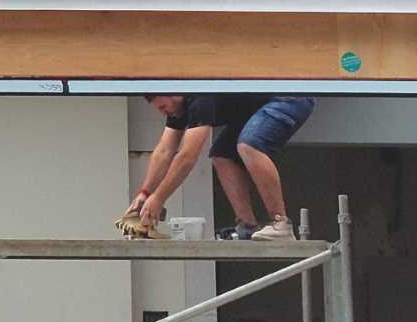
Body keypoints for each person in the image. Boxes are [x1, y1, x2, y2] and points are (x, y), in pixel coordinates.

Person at [127, 94, 315, 243]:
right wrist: (145, 193)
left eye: (163, 107)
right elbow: (164, 151)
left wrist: (158, 199)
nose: (164, 113)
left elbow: (187, 156)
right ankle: (247, 227)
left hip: (289, 97)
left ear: (174, 93)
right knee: (221, 155)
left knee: (249, 145)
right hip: (258, 105)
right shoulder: (179, 107)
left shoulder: (200, 98)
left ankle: (281, 224)